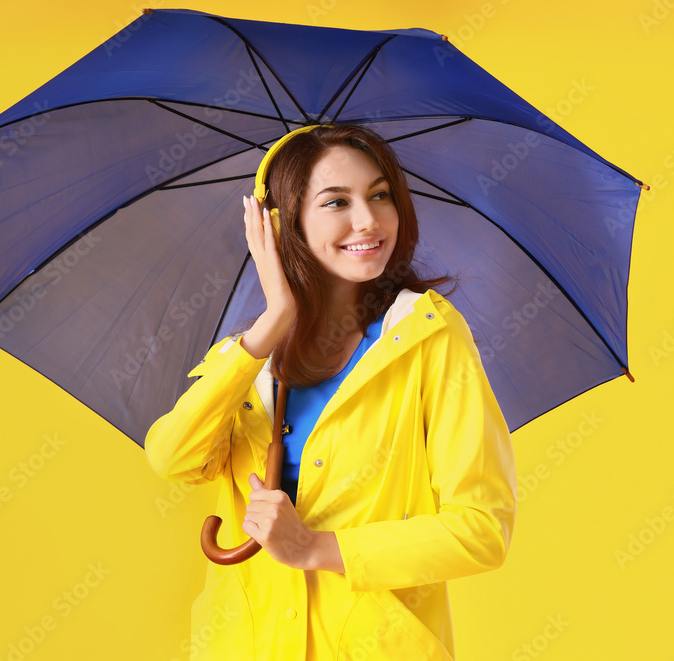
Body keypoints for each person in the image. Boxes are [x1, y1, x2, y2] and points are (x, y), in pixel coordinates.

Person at [144, 123, 517, 660]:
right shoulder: (251, 358)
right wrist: (274, 322)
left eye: (380, 195)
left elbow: (482, 529)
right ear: (279, 223)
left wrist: (318, 547)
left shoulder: (428, 336)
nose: (367, 220)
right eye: (336, 201)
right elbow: (172, 457)